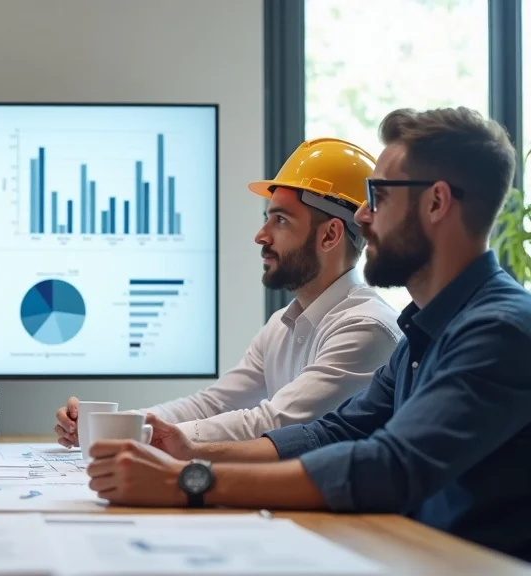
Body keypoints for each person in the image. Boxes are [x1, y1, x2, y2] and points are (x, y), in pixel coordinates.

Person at [85, 107, 531, 563]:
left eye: (378, 197)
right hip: (417, 557)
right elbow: (334, 432)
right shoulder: (424, 327)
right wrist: (193, 451)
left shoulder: (499, 329)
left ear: (436, 203)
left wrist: (189, 480)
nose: (362, 215)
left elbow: (391, 466)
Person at [56, 138, 401, 445]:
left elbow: (279, 422)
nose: (261, 235)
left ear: (330, 235)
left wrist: (153, 436)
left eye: (280, 220)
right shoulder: (281, 324)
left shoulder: (366, 328)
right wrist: (109, 426)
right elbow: (214, 403)